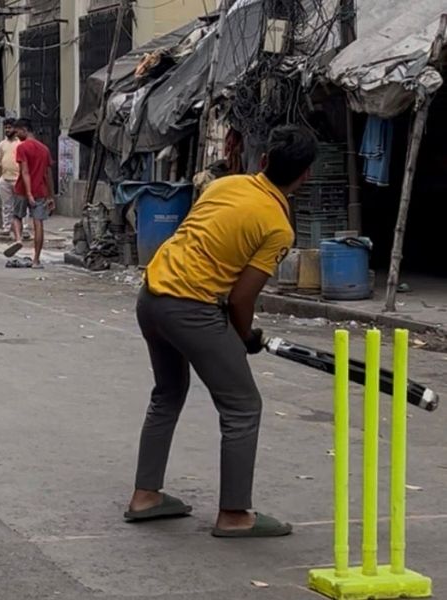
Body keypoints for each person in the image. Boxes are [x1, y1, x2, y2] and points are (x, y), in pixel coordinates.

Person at [125, 125, 317, 538]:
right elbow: (242, 299)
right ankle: (234, 514)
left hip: (151, 296)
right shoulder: (278, 226)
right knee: (243, 407)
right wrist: (244, 337)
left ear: (262, 161)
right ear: (305, 176)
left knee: (168, 393)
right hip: (191, 308)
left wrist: (236, 333)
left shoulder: (225, 185)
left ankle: (145, 495)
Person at [5, 118, 54, 269]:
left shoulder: (22, 147)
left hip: (22, 190)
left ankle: (18, 239)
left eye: (18, 132)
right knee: (38, 223)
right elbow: (48, 174)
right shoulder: (44, 149)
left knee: (16, 216)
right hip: (40, 190)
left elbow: (25, 172)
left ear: (25, 130)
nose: (16, 135)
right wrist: (51, 196)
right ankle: (36, 260)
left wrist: (28, 193)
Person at [0, 118, 20, 232]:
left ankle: (23, 228)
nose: (7, 130)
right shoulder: (2, 144)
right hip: (5, 179)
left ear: (15, 129)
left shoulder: (20, 143)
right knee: (6, 205)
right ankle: (6, 227)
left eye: (10, 127)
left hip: (18, 179)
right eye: (6, 128)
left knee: (20, 205)